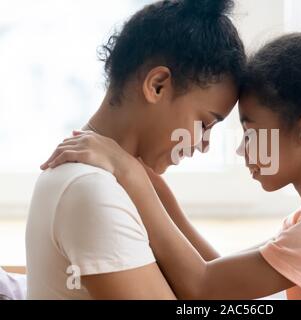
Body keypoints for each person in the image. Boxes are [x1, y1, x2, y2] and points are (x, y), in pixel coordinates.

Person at [42, 0, 301, 299]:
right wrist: (152, 185)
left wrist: (129, 175)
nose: (241, 151)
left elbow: (204, 287)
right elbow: (218, 272)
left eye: (251, 132)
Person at [27, 0, 245, 300]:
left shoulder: (111, 179)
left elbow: (221, 290)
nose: (204, 144)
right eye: (205, 123)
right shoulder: (91, 189)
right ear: (157, 85)